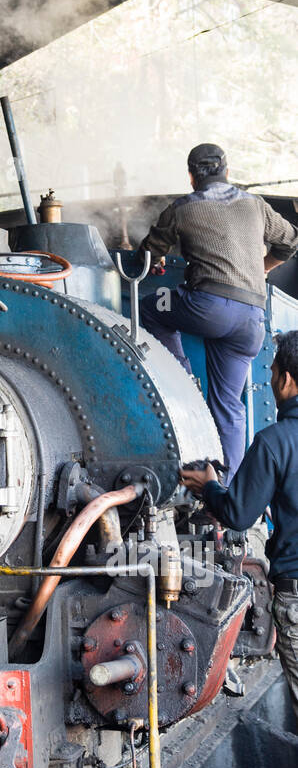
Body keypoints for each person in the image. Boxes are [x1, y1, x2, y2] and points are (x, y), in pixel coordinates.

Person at [139, 143, 298, 481]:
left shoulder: (182, 209)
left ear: (191, 177)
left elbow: (148, 253)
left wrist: (158, 258)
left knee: (151, 307)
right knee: (230, 407)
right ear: (227, 171)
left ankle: (180, 377)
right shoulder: (255, 205)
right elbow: (290, 242)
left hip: (205, 308)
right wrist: (263, 266)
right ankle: (228, 488)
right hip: (251, 320)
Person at [180, 329, 298, 728]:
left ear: (285, 380)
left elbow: (238, 513)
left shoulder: (276, 441)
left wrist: (208, 485)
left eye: (273, 371)